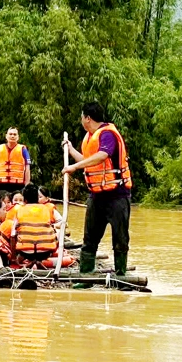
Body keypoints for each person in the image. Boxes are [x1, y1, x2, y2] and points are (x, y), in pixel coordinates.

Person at [62, 102, 131, 276]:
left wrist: (75, 167)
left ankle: (121, 275)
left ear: (88, 118)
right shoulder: (90, 136)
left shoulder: (107, 134)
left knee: (120, 238)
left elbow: (102, 156)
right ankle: (85, 276)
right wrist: (70, 150)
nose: (81, 120)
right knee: (90, 238)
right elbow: (88, 160)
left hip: (117, 195)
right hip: (96, 195)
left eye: (81, 116)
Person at [12, 184, 59, 267]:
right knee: (58, 231)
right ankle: (38, 261)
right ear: (37, 197)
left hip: (26, 253)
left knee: (15, 233)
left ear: (24, 199)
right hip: (45, 253)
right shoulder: (46, 209)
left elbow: (13, 235)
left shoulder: (19, 210)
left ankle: (19, 260)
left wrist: (13, 257)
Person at [0, 127, 31, 194]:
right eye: (10, 134)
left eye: (14, 134)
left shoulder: (23, 149)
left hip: (18, 185)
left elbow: (27, 169)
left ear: (18, 137)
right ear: (6, 136)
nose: (12, 136)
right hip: (1, 184)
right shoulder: (0, 148)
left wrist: (27, 186)